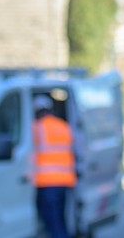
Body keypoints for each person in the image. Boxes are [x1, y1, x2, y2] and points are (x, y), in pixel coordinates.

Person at [32, 94, 76, 238]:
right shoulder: (64, 126)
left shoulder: (37, 127)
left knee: (53, 223)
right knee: (60, 220)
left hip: (46, 182)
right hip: (65, 181)